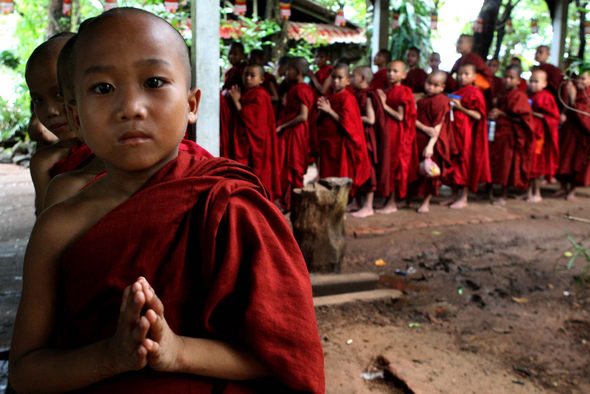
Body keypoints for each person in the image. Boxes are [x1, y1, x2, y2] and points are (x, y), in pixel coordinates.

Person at [9, 8, 324, 393]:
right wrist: (112, 356)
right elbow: (25, 373)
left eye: (154, 81)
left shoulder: (228, 203)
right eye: (103, 88)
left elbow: (286, 354)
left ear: (192, 104)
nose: (131, 108)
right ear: (75, 117)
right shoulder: (58, 228)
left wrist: (177, 351)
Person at [25, 32, 94, 215]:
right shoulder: (44, 162)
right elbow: (46, 231)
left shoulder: (127, 142)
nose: (50, 110)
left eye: (58, 94)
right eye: (38, 100)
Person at [316, 63, 371, 200]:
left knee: (340, 176)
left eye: (340, 78)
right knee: (327, 176)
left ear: (348, 80)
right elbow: (318, 121)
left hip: (341, 145)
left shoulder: (348, 98)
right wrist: (322, 110)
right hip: (327, 144)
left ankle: (341, 205)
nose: (335, 81)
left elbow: (348, 123)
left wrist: (329, 111)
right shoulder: (330, 97)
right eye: (333, 77)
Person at [228, 63, 281, 201]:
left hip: (258, 143)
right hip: (246, 140)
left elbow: (252, 119)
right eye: (246, 75)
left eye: (252, 76)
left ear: (261, 80)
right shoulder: (248, 93)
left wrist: (236, 102)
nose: (248, 78)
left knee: (257, 172)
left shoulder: (261, 95)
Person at [488, 65, 535, 206]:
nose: (507, 80)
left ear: (518, 80)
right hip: (500, 134)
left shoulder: (519, 96)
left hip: (512, 136)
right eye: (505, 77)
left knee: (507, 165)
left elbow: (524, 118)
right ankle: (489, 191)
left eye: (511, 78)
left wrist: (502, 114)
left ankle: (504, 195)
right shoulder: (503, 94)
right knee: (497, 162)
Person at [444, 63, 489, 209]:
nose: (462, 77)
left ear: (474, 76)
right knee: (453, 162)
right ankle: (454, 194)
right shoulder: (458, 91)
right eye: (460, 74)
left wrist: (460, 107)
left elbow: (478, 116)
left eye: (466, 74)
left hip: (467, 134)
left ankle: (463, 197)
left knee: (464, 164)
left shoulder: (475, 93)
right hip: (454, 132)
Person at [376, 60, 418, 213]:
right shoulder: (388, 90)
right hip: (388, 133)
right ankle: (387, 200)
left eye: (395, 71)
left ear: (404, 75)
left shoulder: (404, 91)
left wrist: (384, 105)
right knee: (386, 166)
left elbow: (400, 117)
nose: (391, 74)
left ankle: (392, 203)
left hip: (397, 135)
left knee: (394, 167)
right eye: (389, 71)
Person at [276, 57, 315, 211]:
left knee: (293, 166)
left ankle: (294, 205)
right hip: (295, 131)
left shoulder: (301, 89)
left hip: (296, 132)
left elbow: (303, 116)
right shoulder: (298, 88)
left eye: (290, 69)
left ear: (298, 72)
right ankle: (289, 203)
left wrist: (282, 126)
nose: (287, 72)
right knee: (287, 166)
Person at [412, 71, 454, 213]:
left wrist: (430, 146)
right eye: (429, 83)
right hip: (418, 137)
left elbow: (438, 127)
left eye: (435, 85)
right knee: (415, 169)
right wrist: (423, 127)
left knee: (430, 172)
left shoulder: (442, 102)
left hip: (432, 142)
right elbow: (412, 119)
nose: (431, 87)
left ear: (442, 87)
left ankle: (426, 202)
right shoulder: (421, 100)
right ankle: (409, 199)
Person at [350, 65, 385, 218]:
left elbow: (371, 119)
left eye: (353, 76)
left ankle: (368, 205)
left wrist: (352, 118)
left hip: (367, 138)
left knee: (368, 169)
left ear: (362, 79)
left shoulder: (368, 95)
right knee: (356, 168)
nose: (351, 79)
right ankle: (356, 202)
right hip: (358, 136)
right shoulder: (357, 94)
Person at [526, 68, 560, 203]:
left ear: (544, 84)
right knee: (529, 162)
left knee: (537, 164)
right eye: (531, 81)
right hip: (529, 133)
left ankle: (537, 193)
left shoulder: (547, 97)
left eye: (536, 81)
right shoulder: (528, 95)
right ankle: (529, 191)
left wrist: (532, 113)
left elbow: (553, 117)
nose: (533, 84)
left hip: (540, 136)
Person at [557, 71, 590, 200]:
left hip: (582, 133)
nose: (579, 82)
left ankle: (572, 189)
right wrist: (564, 113)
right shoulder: (573, 89)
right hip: (569, 130)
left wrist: (572, 99)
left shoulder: (587, 95)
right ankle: (563, 187)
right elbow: (567, 106)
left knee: (578, 162)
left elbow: (585, 114)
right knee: (564, 158)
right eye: (578, 79)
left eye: (583, 79)